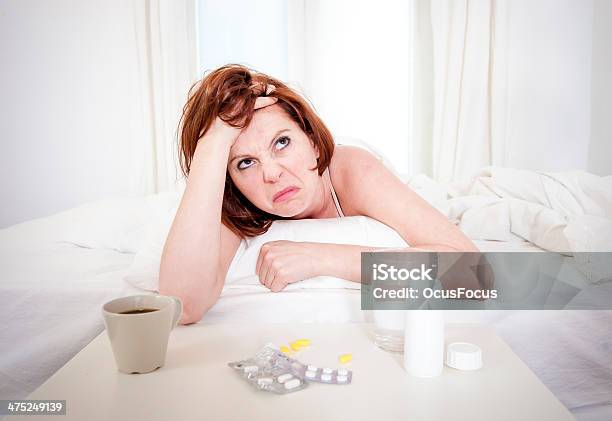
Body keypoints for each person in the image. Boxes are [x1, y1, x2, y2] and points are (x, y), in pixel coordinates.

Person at [159, 64, 479, 324]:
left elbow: (472, 272)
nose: (271, 174)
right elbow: (184, 306)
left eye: (281, 142)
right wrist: (214, 142)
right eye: (245, 162)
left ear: (312, 141)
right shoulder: (237, 201)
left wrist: (319, 256)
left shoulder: (353, 170)